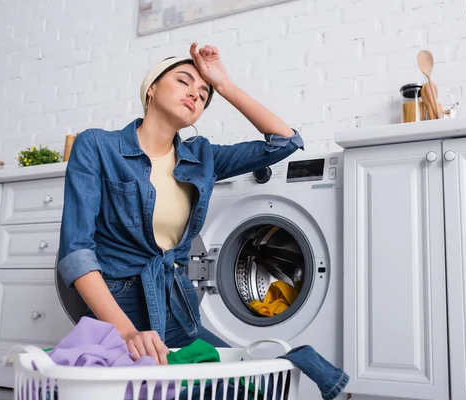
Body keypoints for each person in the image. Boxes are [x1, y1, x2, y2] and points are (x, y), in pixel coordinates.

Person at [57, 42, 304, 365]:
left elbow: (285, 142)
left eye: (203, 94)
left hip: (176, 309)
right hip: (116, 309)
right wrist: (127, 333)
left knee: (248, 377)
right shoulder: (98, 146)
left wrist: (223, 84)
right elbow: (76, 252)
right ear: (152, 89)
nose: (194, 93)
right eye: (184, 81)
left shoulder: (203, 157)